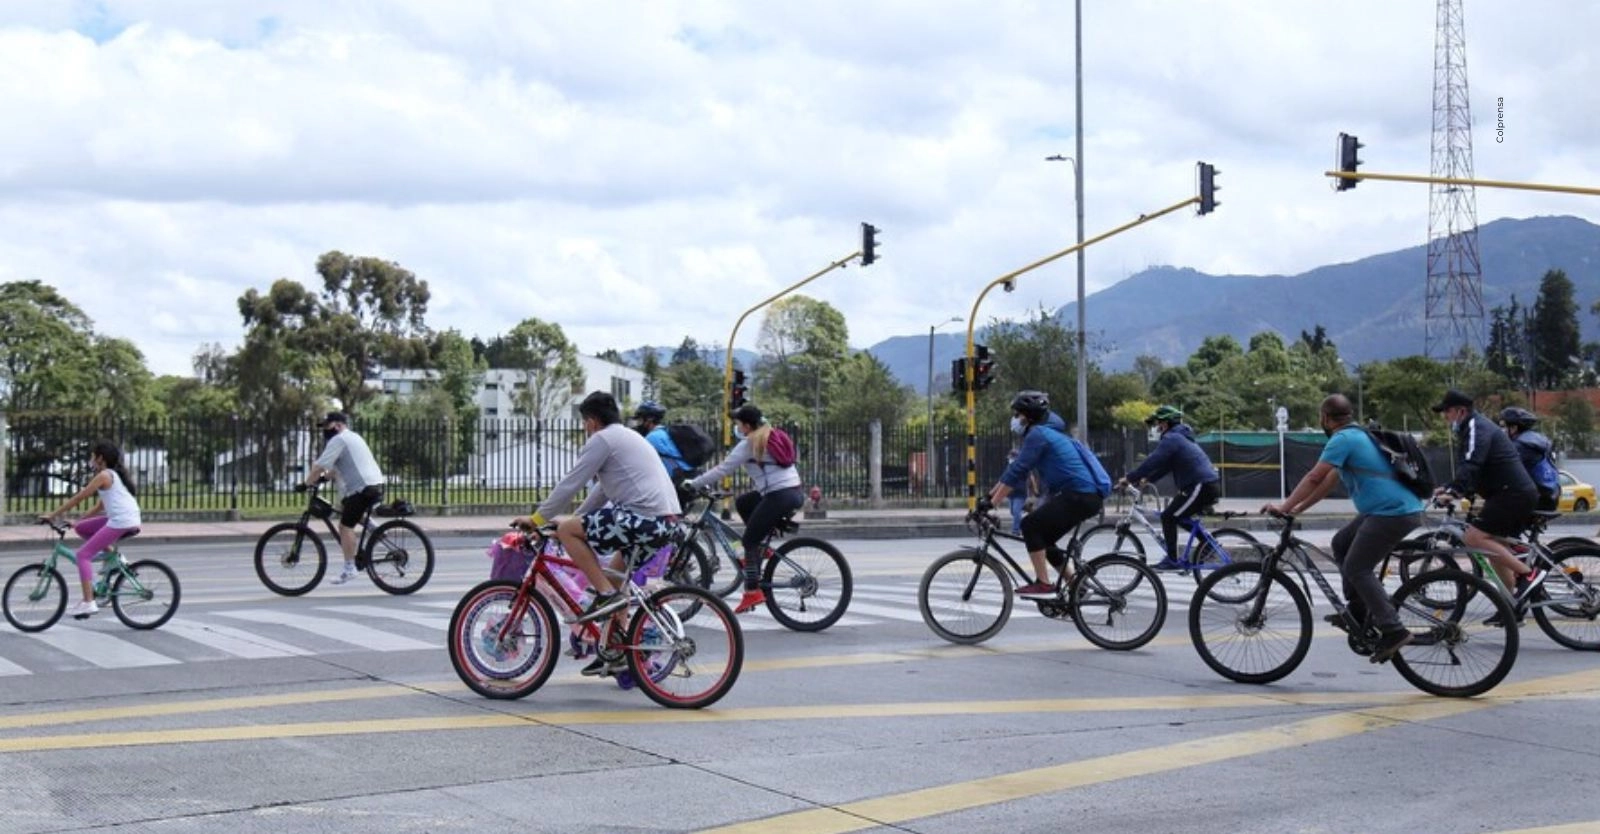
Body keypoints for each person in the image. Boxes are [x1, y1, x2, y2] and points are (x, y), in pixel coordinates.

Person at [512, 392, 682, 674]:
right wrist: (571, 521)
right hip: (664, 523)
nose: (584, 428)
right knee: (617, 578)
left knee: (598, 573)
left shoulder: (602, 440)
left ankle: (604, 594)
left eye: (584, 422)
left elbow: (570, 484)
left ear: (591, 421)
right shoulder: (626, 438)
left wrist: (538, 519)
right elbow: (601, 492)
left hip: (641, 518)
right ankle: (616, 651)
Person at [1265, 395, 1422, 664]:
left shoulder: (1343, 439)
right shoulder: (1359, 436)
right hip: (1390, 510)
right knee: (1341, 543)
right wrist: (1296, 509)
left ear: (1325, 417)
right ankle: (1359, 610)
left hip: (1391, 513)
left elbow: (1314, 476)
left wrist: (1284, 505)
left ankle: (1393, 630)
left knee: (1357, 568)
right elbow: (1326, 483)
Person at [986, 390, 1112, 599]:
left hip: (1079, 495)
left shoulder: (1039, 435)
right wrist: (989, 498)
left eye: (1018, 415)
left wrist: (992, 504)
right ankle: (1076, 586)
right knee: (1043, 539)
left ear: (1029, 415)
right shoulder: (1043, 433)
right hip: (1081, 496)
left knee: (1029, 526)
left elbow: (1019, 471)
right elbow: (1015, 469)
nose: (1015, 420)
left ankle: (1044, 585)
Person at [684, 404, 804, 615]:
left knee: (748, 541)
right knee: (744, 502)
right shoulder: (772, 434)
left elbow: (723, 469)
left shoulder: (750, 443)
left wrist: (693, 484)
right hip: (792, 491)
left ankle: (752, 591)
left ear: (747, 425)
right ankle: (761, 548)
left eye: (738, 423)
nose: (737, 427)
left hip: (778, 495)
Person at [1432, 389, 1540, 597]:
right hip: (1509, 493)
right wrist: (1449, 486)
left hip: (1511, 494)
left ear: (1460, 411)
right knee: (1494, 550)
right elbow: (1473, 468)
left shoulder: (1476, 426)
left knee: (1473, 538)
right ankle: (1510, 606)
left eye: (1447, 412)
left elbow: (1473, 462)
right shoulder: (1471, 427)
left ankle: (1529, 574)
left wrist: (1455, 491)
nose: (1445, 417)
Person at [37, 440, 143, 618]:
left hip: (120, 521)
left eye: (93, 456)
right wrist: (77, 521)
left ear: (100, 458)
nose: (91, 459)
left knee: (82, 555)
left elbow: (79, 498)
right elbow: (100, 506)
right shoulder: (112, 476)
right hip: (124, 519)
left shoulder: (104, 476)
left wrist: (53, 515)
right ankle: (113, 558)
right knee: (82, 528)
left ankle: (88, 602)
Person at [1113, 405, 1222, 570]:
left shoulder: (1172, 439)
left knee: (1168, 517)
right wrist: (1146, 479)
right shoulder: (1178, 437)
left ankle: (1173, 559)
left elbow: (1153, 460)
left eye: (1160, 423)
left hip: (1201, 485)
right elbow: (1166, 466)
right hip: (1199, 485)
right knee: (1175, 515)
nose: (1158, 427)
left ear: (1168, 423)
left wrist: (1128, 478)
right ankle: (1208, 546)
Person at [301, 412, 386, 586]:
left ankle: (350, 568)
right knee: (346, 508)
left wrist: (305, 484)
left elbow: (319, 466)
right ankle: (375, 531)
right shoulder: (353, 437)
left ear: (338, 425)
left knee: (345, 526)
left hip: (363, 488)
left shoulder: (338, 440)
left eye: (327, 426)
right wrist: (324, 478)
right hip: (373, 485)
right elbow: (335, 469)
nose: (325, 430)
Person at [632, 400, 698, 508]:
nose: (638, 424)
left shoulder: (651, 438)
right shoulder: (665, 432)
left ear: (649, 420)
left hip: (676, 483)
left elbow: (638, 463)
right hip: (688, 476)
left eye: (640, 420)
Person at [1499, 406, 1559, 512]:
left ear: (1514, 428)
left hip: (1536, 498)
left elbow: (1505, 469)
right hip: (1551, 495)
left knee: (1490, 513)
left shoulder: (1521, 446)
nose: (1501, 430)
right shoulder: (1537, 440)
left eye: (1504, 426)